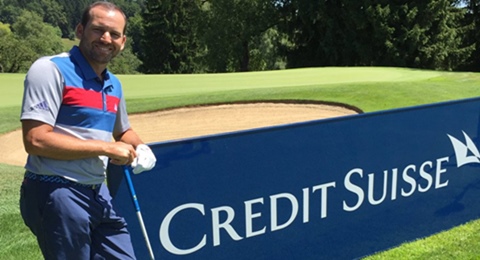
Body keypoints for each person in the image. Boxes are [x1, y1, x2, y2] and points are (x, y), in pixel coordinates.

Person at [19, 1, 156, 259]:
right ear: (80, 30)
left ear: (123, 41)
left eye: (114, 34)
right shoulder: (50, 69)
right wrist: (105, 148)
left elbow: (123, 132)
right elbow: (35, 140)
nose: (106, 38)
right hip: (56, 190)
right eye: (98, 30)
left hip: (96, 191)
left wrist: (141, 147)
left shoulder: (113, 84)